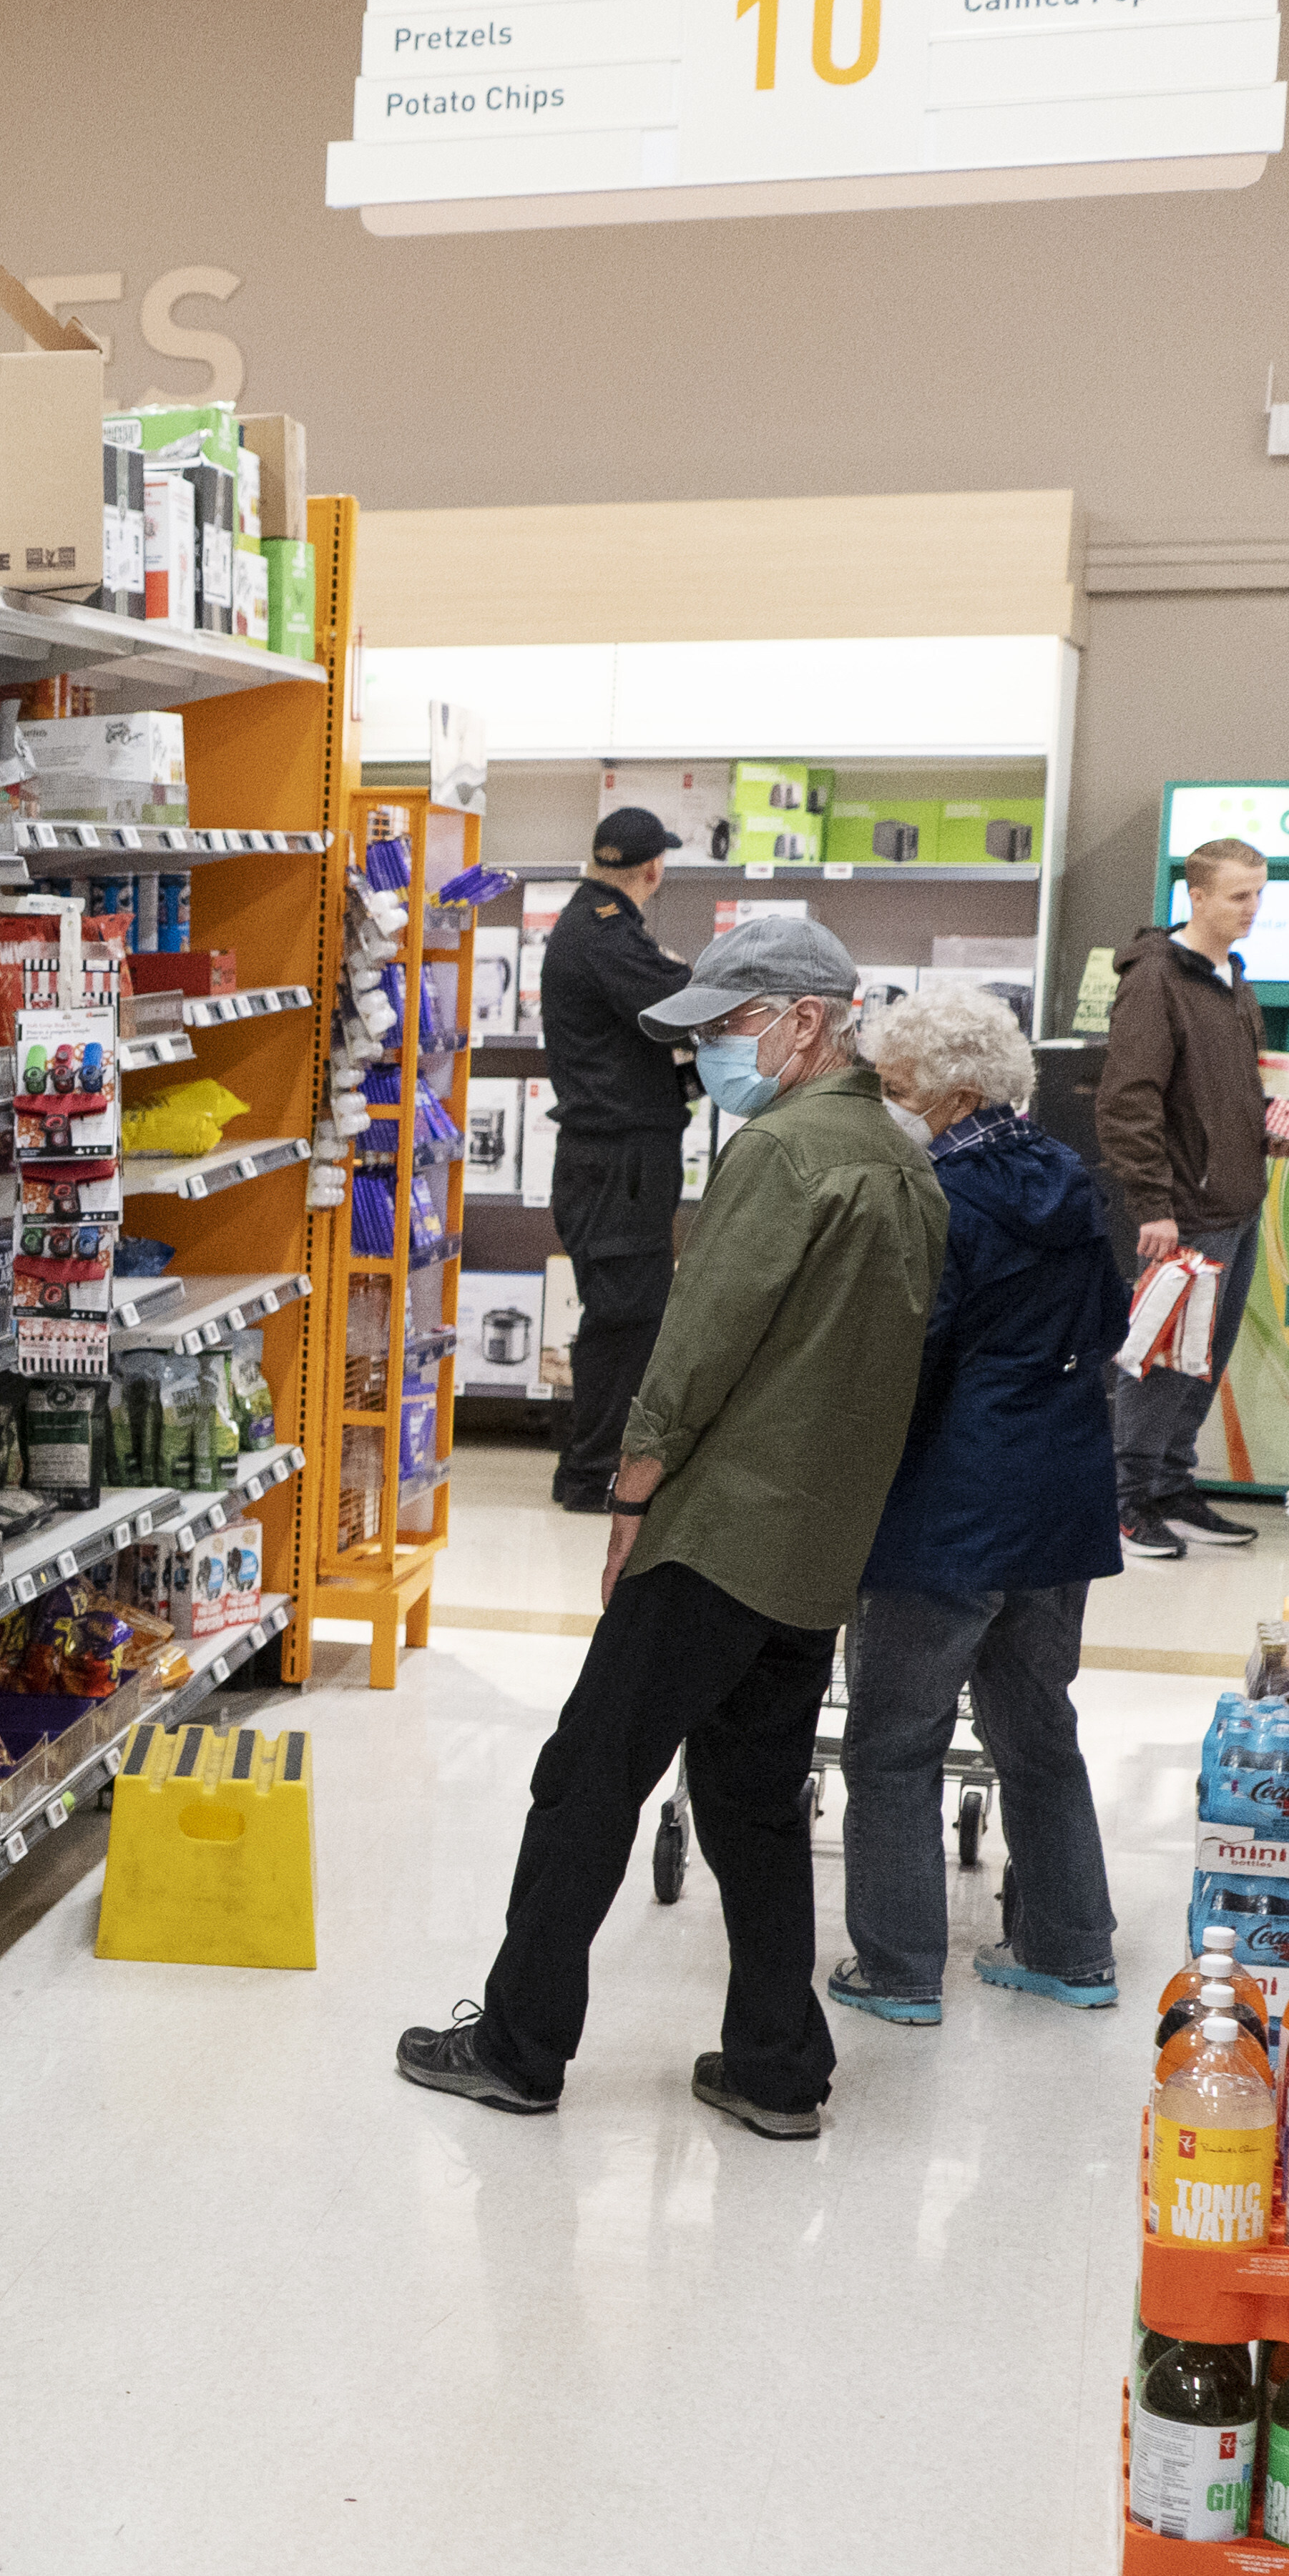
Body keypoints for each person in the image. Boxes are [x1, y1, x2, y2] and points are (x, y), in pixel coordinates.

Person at [401, 913, 944, 2140]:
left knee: (586, 1780)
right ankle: (775, 2065)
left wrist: (631, 1494)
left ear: (806, 1021)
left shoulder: (784, 1156)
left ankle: (518, 2044)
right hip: (817, 1547)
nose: (710, 1057)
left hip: (719, 1531)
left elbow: (696, 1347)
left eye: (729, 1027)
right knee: (754, 1803)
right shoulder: (903, 1160)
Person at [828, 990, 1125, 2027]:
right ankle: (1070, 1949)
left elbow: (908, 1348)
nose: (886, 1105)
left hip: (950, 1508)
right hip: (1063, 1497)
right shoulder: (1073, 1181)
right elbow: (1110, 1321)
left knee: (895, 1743)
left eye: (898, 1088)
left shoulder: (933, 1197)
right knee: (1038, 1727)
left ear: (955, 1097)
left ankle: (900, 1970)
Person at [1096, 838, 1289, 1556]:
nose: (1253, 910)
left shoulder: (1231, 977)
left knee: (1204, 1358)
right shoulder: (1157, 978)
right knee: (1159, 1360)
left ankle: (1170, 1486)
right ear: (1197, 897)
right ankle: (1125, 1502)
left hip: (1237, 1204)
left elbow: (1223, 1091)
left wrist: (1271, 1132)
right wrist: (1152, 1204)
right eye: (1238, 896)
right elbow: (1130, 1100)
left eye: (1259, 895)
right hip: (1184, 1209)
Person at [539, 806, 696, 1513]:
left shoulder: (599, 927)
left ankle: (597, 1465)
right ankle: (595, 1471)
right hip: (616, 1162)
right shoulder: (603, 934)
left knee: (624, 1314)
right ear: (653, 868)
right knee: (627, 1317)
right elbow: (679, 1005)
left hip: (616, 1157)